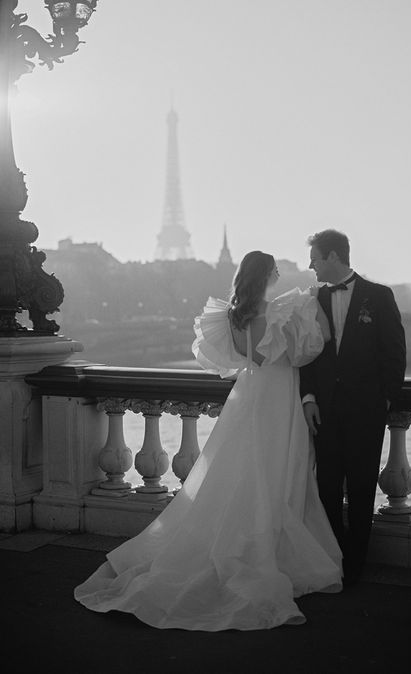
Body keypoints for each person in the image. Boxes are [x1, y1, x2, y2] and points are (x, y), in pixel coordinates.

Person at [74, 250, 343, 631]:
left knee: (240, 473)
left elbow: (235, 361)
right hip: (280, 396)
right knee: (282, 470)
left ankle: (241, 541)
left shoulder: (233, 316)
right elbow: (310, 350)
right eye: (276, 270)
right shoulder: (283, 311)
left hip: (248, 396)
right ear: (267, 274)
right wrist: (312, 309)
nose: (281, 273)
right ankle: (270, 546)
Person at [300, 230, 406, 586]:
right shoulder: (313, 299)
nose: (310, 264)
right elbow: (308, 357)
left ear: (332, 256)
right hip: (325, 410)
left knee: (362, 491)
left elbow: (395, 352)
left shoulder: (379, 296)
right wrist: (310, 399)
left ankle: (356, 567)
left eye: (314, 257)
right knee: (326, 488)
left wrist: (384, 400)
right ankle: (334, 560)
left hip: (366, 411)